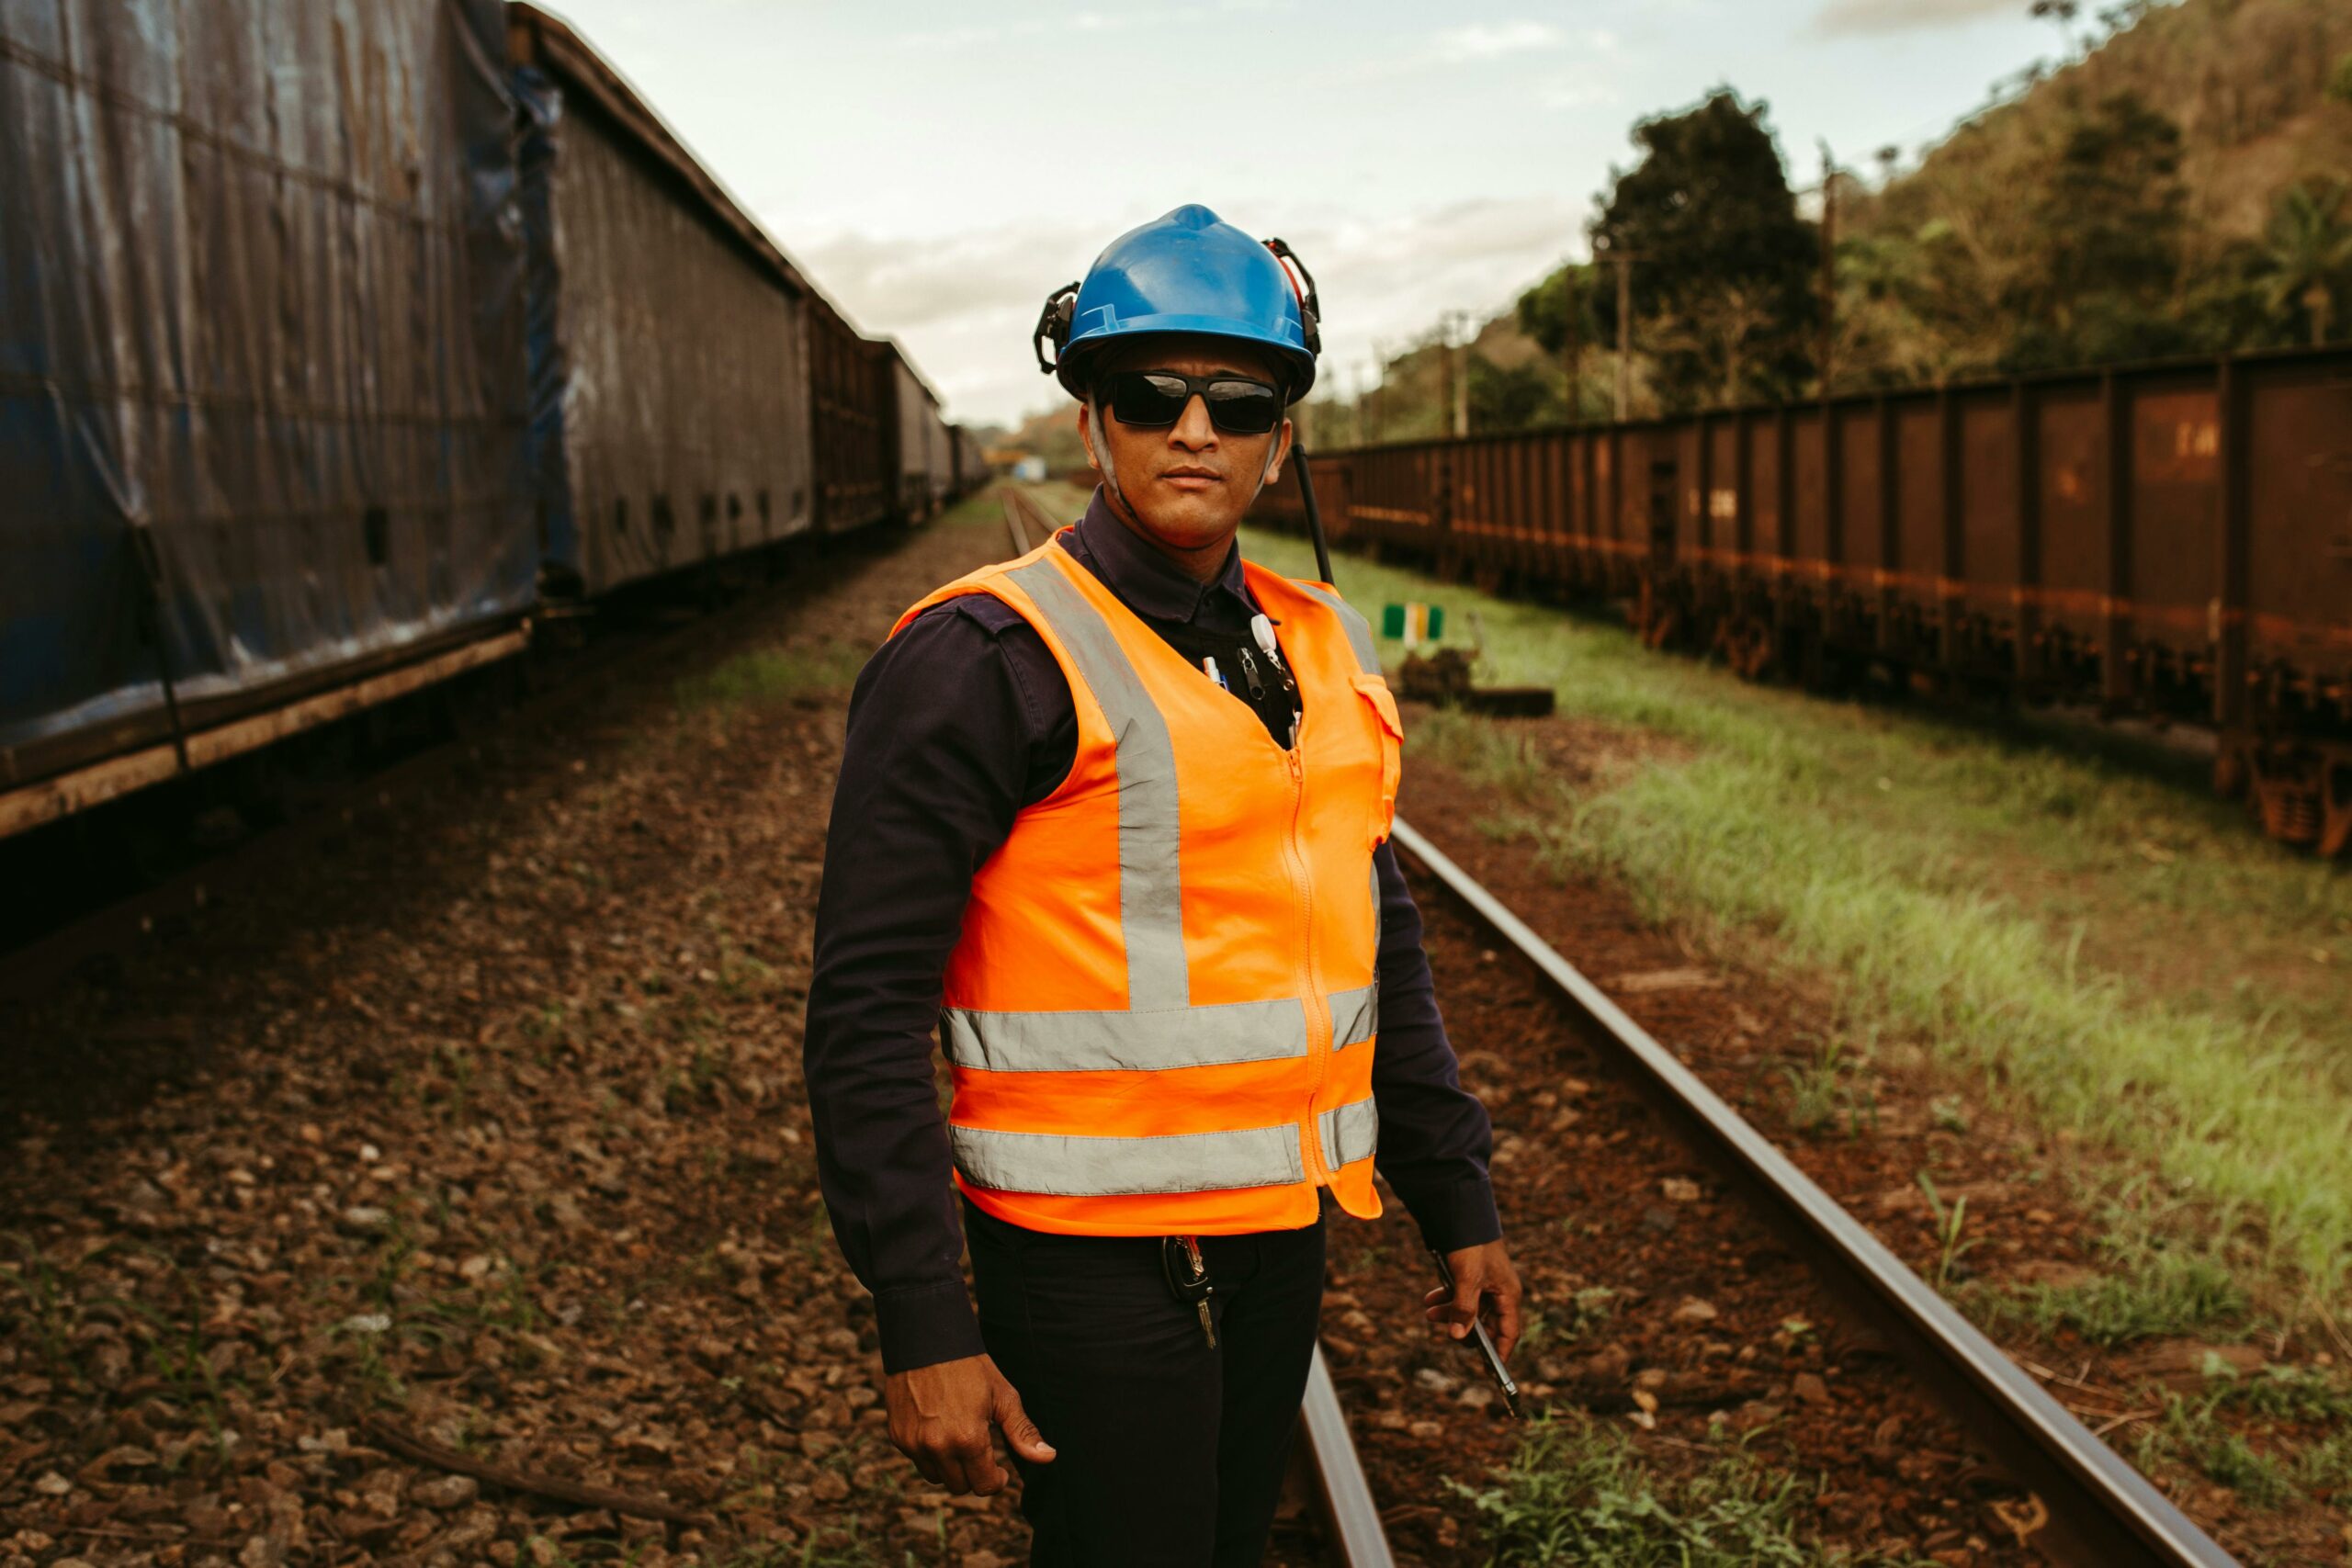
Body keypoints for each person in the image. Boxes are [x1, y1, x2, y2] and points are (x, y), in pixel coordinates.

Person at [803, 204, 1521, 1567]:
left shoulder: (1320, 647)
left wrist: (1457, 1194)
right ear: (1094, 422)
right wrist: (921, 1315)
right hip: (1084, 1265)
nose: (1194, 429)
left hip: (1277, 1238)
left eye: (1236, 399)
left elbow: (1383, 941)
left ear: (1280, 439)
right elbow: (866, 1007)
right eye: (1150, 394)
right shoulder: (981, 656)